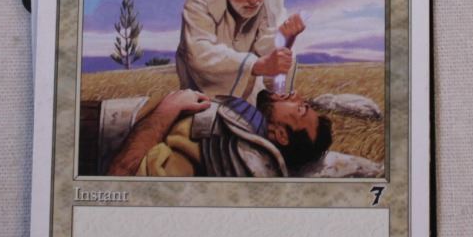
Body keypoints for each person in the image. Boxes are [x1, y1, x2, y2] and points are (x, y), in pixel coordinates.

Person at [89, 88, 335, 178]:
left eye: (300, 108)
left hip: (89, 139)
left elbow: (121, 176)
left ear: (281, 135)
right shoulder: (243, 126)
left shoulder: (223, 154)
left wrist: (167, 110)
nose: (296, 96)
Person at [175, 0, 307, 100]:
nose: (253, 0)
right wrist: (255, 65)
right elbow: (198, 50)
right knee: (204, 107)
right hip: (204, 78)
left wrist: (283, 38)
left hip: (249, 77)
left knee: (259, 108)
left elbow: (269, 52)